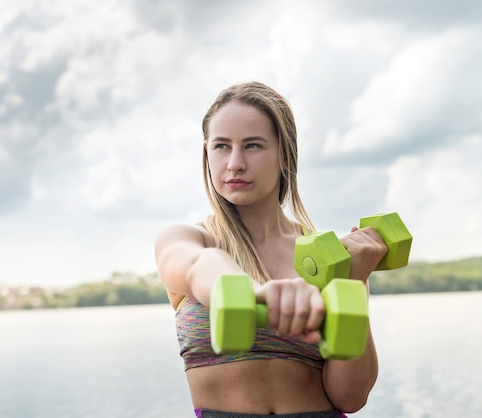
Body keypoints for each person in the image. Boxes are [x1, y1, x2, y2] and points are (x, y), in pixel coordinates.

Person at [154, 81, 387, 418]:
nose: (234, 163)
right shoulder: (187, 240)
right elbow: (200, 266)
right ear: (206, 152)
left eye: (252, 145)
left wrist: (351, 283)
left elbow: (350, 398)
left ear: (284, 153)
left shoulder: (330, 257)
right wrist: (258, 295)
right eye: (221, 146)